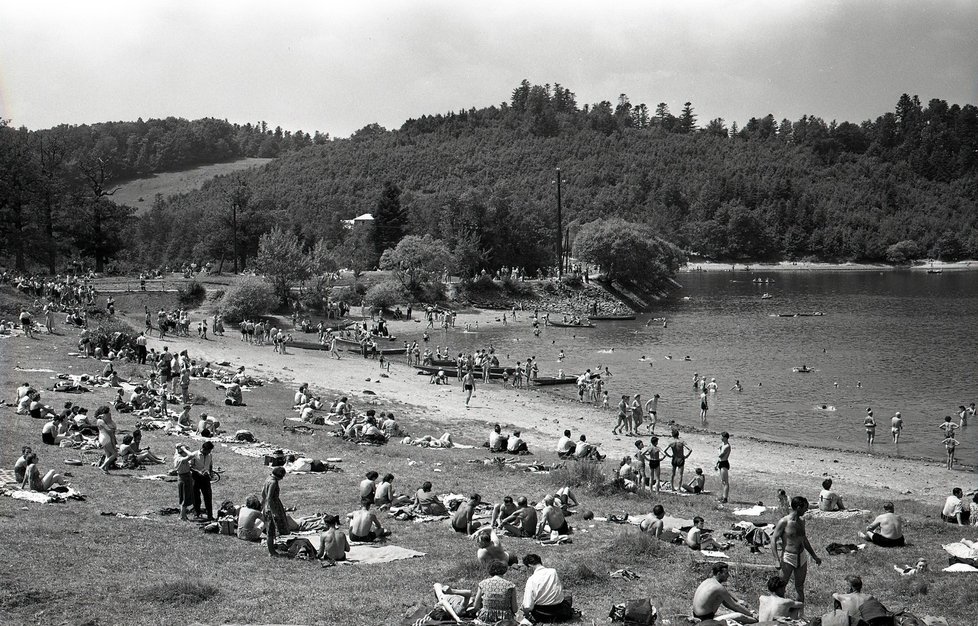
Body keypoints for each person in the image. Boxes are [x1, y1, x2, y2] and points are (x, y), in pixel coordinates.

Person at [772, 496, 822, 603]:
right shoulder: (784, 522)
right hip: (788, 557)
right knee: (781, 586)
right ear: (798, 507)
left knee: (799, 587)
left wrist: (814, 556)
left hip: (801, 557)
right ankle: (779, 611)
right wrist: (776, 559)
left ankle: (800, 614)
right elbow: (774, 540)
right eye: (805, 508)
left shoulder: (802, 521)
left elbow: (804, 539)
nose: (807, 510)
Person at [691, 562, 758, 623]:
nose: (728, 575)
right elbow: (735, 605)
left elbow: (726, 592)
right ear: (719, 574)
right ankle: (757, 620)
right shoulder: (718, 588)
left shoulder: (708, 581)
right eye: (726, 573)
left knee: (723, 598)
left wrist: (738, 599)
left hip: (697, 615)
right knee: (739, 616)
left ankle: (749, 613)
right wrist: (750, 614)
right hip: (705, 620)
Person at [521, 554, 575, 623]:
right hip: (560, 613)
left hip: (541, 615)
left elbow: (527, 606)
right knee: (568, 596)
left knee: (525, 604)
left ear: (530, 566)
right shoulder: (553, 572)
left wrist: (526, 615)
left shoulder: (531, 580)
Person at [262, 466, 289, 556]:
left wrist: (263, 504)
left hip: (266, 506)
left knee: (270, 529)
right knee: (270, 530)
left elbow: (263, 493)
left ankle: (272, 548)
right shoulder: (273, 482)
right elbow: (269, 497)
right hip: (272, 507)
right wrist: (274, 511)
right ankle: (271, 552)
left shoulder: (268, 478)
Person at [191, 441, 215, 520]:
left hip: (206, 477)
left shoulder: (210, 455)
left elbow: (210, 465)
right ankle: (197, 513)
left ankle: (210, 515)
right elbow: (190, 467)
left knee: (208, 496)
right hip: (196, 477)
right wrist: (198, 472)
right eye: (208, 451)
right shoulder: (194, 455)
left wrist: (210, 473)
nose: (209, 452)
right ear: (203, 449)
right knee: (196, 496)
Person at [173, 443, 196, 521]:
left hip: (182, 477)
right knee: (185, 497)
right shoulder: (180, 459)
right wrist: (184, 449)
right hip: (185, 478)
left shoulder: (176, 456)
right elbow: (192, 455)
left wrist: (181, 447)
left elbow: (177, 448)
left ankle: (183, 515)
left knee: (182, 496)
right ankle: (182, 516)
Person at [95, 406, 118, 473]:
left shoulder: (99, 420)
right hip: (106, 438)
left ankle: (106, 470)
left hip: (101, 437)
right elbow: (109, 431)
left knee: (108, 454)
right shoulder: (102, 421)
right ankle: (103, 466)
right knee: (115, 454)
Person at [717, 432, 731, 503]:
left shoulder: (727, 446)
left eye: (722, 437)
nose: (721, 438)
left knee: (726, 482)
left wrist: (718, 450)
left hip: (724, 463)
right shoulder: (723, 444)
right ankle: (723, 496)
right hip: (721, 463)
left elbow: (720, 455)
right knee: (723, 481)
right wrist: (717, 463)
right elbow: (719, 458)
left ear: (725, 438)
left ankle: (725, 498)